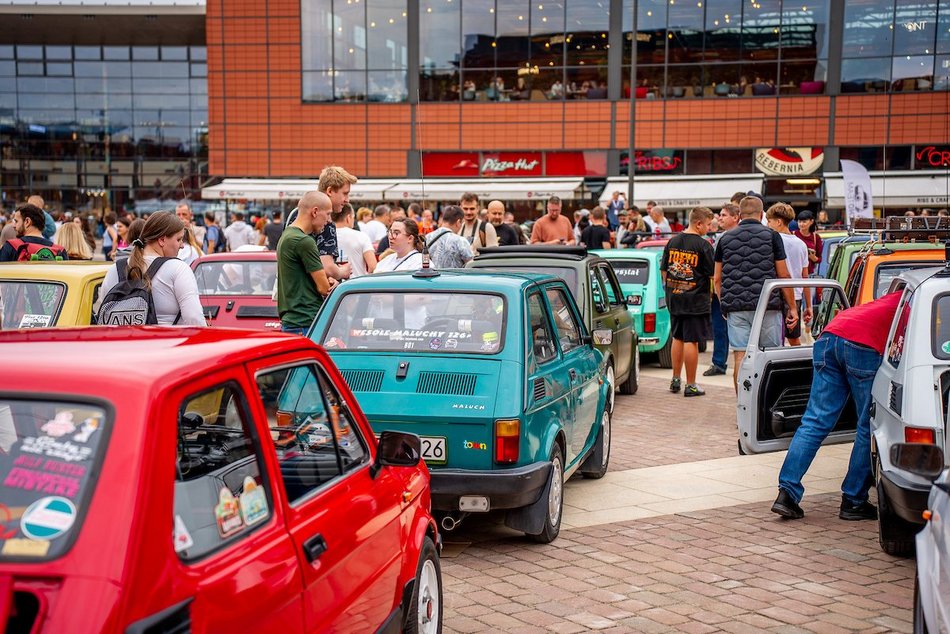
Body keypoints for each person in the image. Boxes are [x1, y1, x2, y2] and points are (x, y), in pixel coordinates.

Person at [771, 291, 902, 521]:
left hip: (829, 337)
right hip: (862, 346)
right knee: (867, 425)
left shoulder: (893, 295)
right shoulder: (917, 299)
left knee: (814, 422)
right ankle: (853, 500)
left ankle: (786, 494)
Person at [714, 196, 798, 393]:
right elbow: (783, 274)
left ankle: (743, 410)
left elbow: (717, 278)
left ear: (740, 215)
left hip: (736, 307)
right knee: (769, 357)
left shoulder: (724, 238)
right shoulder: (771, 236)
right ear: (761, 214)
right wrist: (792, 306)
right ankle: (767, 410)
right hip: (767, 305)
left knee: (740, 357)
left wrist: (724, 303)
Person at [99, 211, 205, 326]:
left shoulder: (116, 269)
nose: (182, 245)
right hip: (165, 342)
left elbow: (104, 311)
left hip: (121, 341)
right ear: (162, 240)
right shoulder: (178, 269)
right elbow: (194, 319)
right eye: (179, 239)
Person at [661, 207, 716, 397]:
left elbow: (664, 272)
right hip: (695, 300)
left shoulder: (672, 241)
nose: (709, 228)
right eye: (708, 224)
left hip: (674, 297)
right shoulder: (704, 245)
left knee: (677, 337)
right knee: (691, 341)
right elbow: (712, 274)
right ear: (699, 223)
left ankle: (675, 379)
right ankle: (691, 384)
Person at [276, 191, 332, 334]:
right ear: (315, 212)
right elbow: (324, 289)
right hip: (306, 321)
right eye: (327, 214)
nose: (329, 220)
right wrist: (334, 283)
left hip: (293, 321)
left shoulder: (287, 235)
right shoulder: (304, 241)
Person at [766, 203, 812, 346]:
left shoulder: (771, 240)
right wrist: (808, 306)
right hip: (796, 297)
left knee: (772, 340)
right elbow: (805, 277)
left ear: (778, 222)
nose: (767, 224)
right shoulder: (801, 244)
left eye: (769, 221)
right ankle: (798, 367)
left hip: (776, 295)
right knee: (793, 339)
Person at [704, 203, 740, 377]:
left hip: (726, 289)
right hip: (733, 289)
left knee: (723, 327)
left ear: (735, 217)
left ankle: (720, 363)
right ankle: (719, 362)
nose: (719, 218)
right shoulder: (720, 237)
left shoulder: (723, 239)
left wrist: (717, 291)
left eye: (724, 215)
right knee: (720, 328)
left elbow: (716, 269)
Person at [0, 204, 68, 262]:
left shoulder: (11, 247)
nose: (14, 226)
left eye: (16, 221)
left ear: (27, 222)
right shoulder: (60, 251)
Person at [333, 203, 376, 278]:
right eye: (353, 217)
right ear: (348, 217)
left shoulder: (325, 237)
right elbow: (372, 266)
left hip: (332, 285)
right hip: (356, 285)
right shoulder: (361, 236)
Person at [793, 210, 822, 276]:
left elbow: (819, 259)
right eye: (799, 221)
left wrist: (813, 258)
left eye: (804, 222)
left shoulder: (816, 237)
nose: (801, 224)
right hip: (795, 273)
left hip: (810, 274)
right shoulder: (793, 234)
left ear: (811, 221)